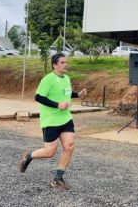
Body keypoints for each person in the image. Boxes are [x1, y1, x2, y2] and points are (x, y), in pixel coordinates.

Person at [18, 53, 87, 189]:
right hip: (50, 120)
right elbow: (38, 97)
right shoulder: (48, 79)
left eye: (66, 62)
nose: (65, 64)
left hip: (66, 119)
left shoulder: (66, 78)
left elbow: (66, 93)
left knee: (70, 146)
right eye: (62, 62)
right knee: (50, 152)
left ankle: (58, 179)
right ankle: (29, 156)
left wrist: (78, 94)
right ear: (54, 65)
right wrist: (57, 105)